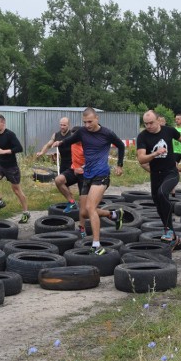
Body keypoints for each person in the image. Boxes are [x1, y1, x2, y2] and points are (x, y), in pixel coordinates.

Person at [51, 107, 125, 254]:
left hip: (101, 174)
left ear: (97, 118)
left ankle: (97, 245)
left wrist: (119, 165)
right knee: (84, 212)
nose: (87, 125)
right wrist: (59, 143)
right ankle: (114, 214)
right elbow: (69, 140)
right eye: (85, 122)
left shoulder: (107, 133)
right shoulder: (82, 132)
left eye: (90, 121)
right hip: (87, 175)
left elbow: (121, 146)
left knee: (91, 208)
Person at [136, 110, 181, 246]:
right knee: (158, 203)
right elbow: (141, 159)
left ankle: (169, 231)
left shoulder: (169, 131)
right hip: (155, 175)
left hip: (171, 172)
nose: (148, 126)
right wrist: (154, 154)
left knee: (162, 193)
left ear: (158, 120)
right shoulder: (142, 137)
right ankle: (172, 234)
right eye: (146, 124)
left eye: (151, 123)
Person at [0, 114, 30, 221]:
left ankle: (26, 212)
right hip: (1, 165)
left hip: (12, 167)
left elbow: (19, 148)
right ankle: (0, 202)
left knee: (17, 191)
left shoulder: (10, 135)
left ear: (3, 123)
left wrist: (4, 151)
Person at [36, 117, 77, 212]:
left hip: (73, 162)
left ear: (68, 125)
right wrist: (42, 152)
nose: (62, 127)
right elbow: (48, 144)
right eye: (61, 125)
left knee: (61, 181)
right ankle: (71, 201)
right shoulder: (56, 135)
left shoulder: (72, 134)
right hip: (64, 162)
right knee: (64, 185)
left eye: (64, 125)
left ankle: (72, 202)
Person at [53, 127, 85, 213]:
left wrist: (82, 168)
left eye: (75, 137)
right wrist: (57, 143)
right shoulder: (71, 142)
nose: (73, 138)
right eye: (72, 136)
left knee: (83, 204)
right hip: (73, 170)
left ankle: (84, 222)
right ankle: (71, 202)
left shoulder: (87, 145)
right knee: (58, 180)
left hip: (86, 173)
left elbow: (94, 161)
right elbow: (62, 142)